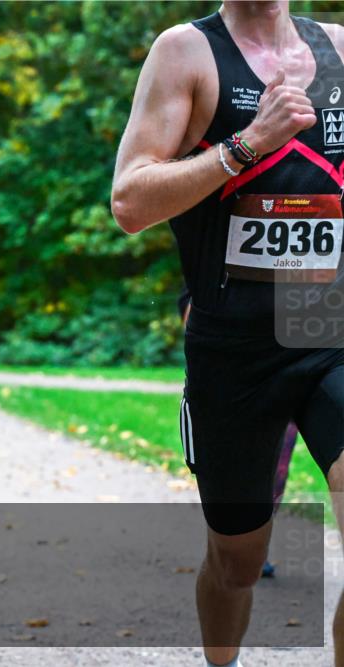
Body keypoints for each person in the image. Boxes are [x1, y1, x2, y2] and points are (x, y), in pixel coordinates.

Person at [112, 3, 344, 666]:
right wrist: (248, 144)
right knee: (236, 563)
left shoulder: (339, 50)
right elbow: (130, 202)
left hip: (330, 328)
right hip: (236, 348)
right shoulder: (186, 53)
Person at [179, 285, 300, 578]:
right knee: (237, 465)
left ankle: (257, 543)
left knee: (279, 458)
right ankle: (233, 544)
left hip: (298, 353)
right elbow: (191, 307)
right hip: (235, 361)